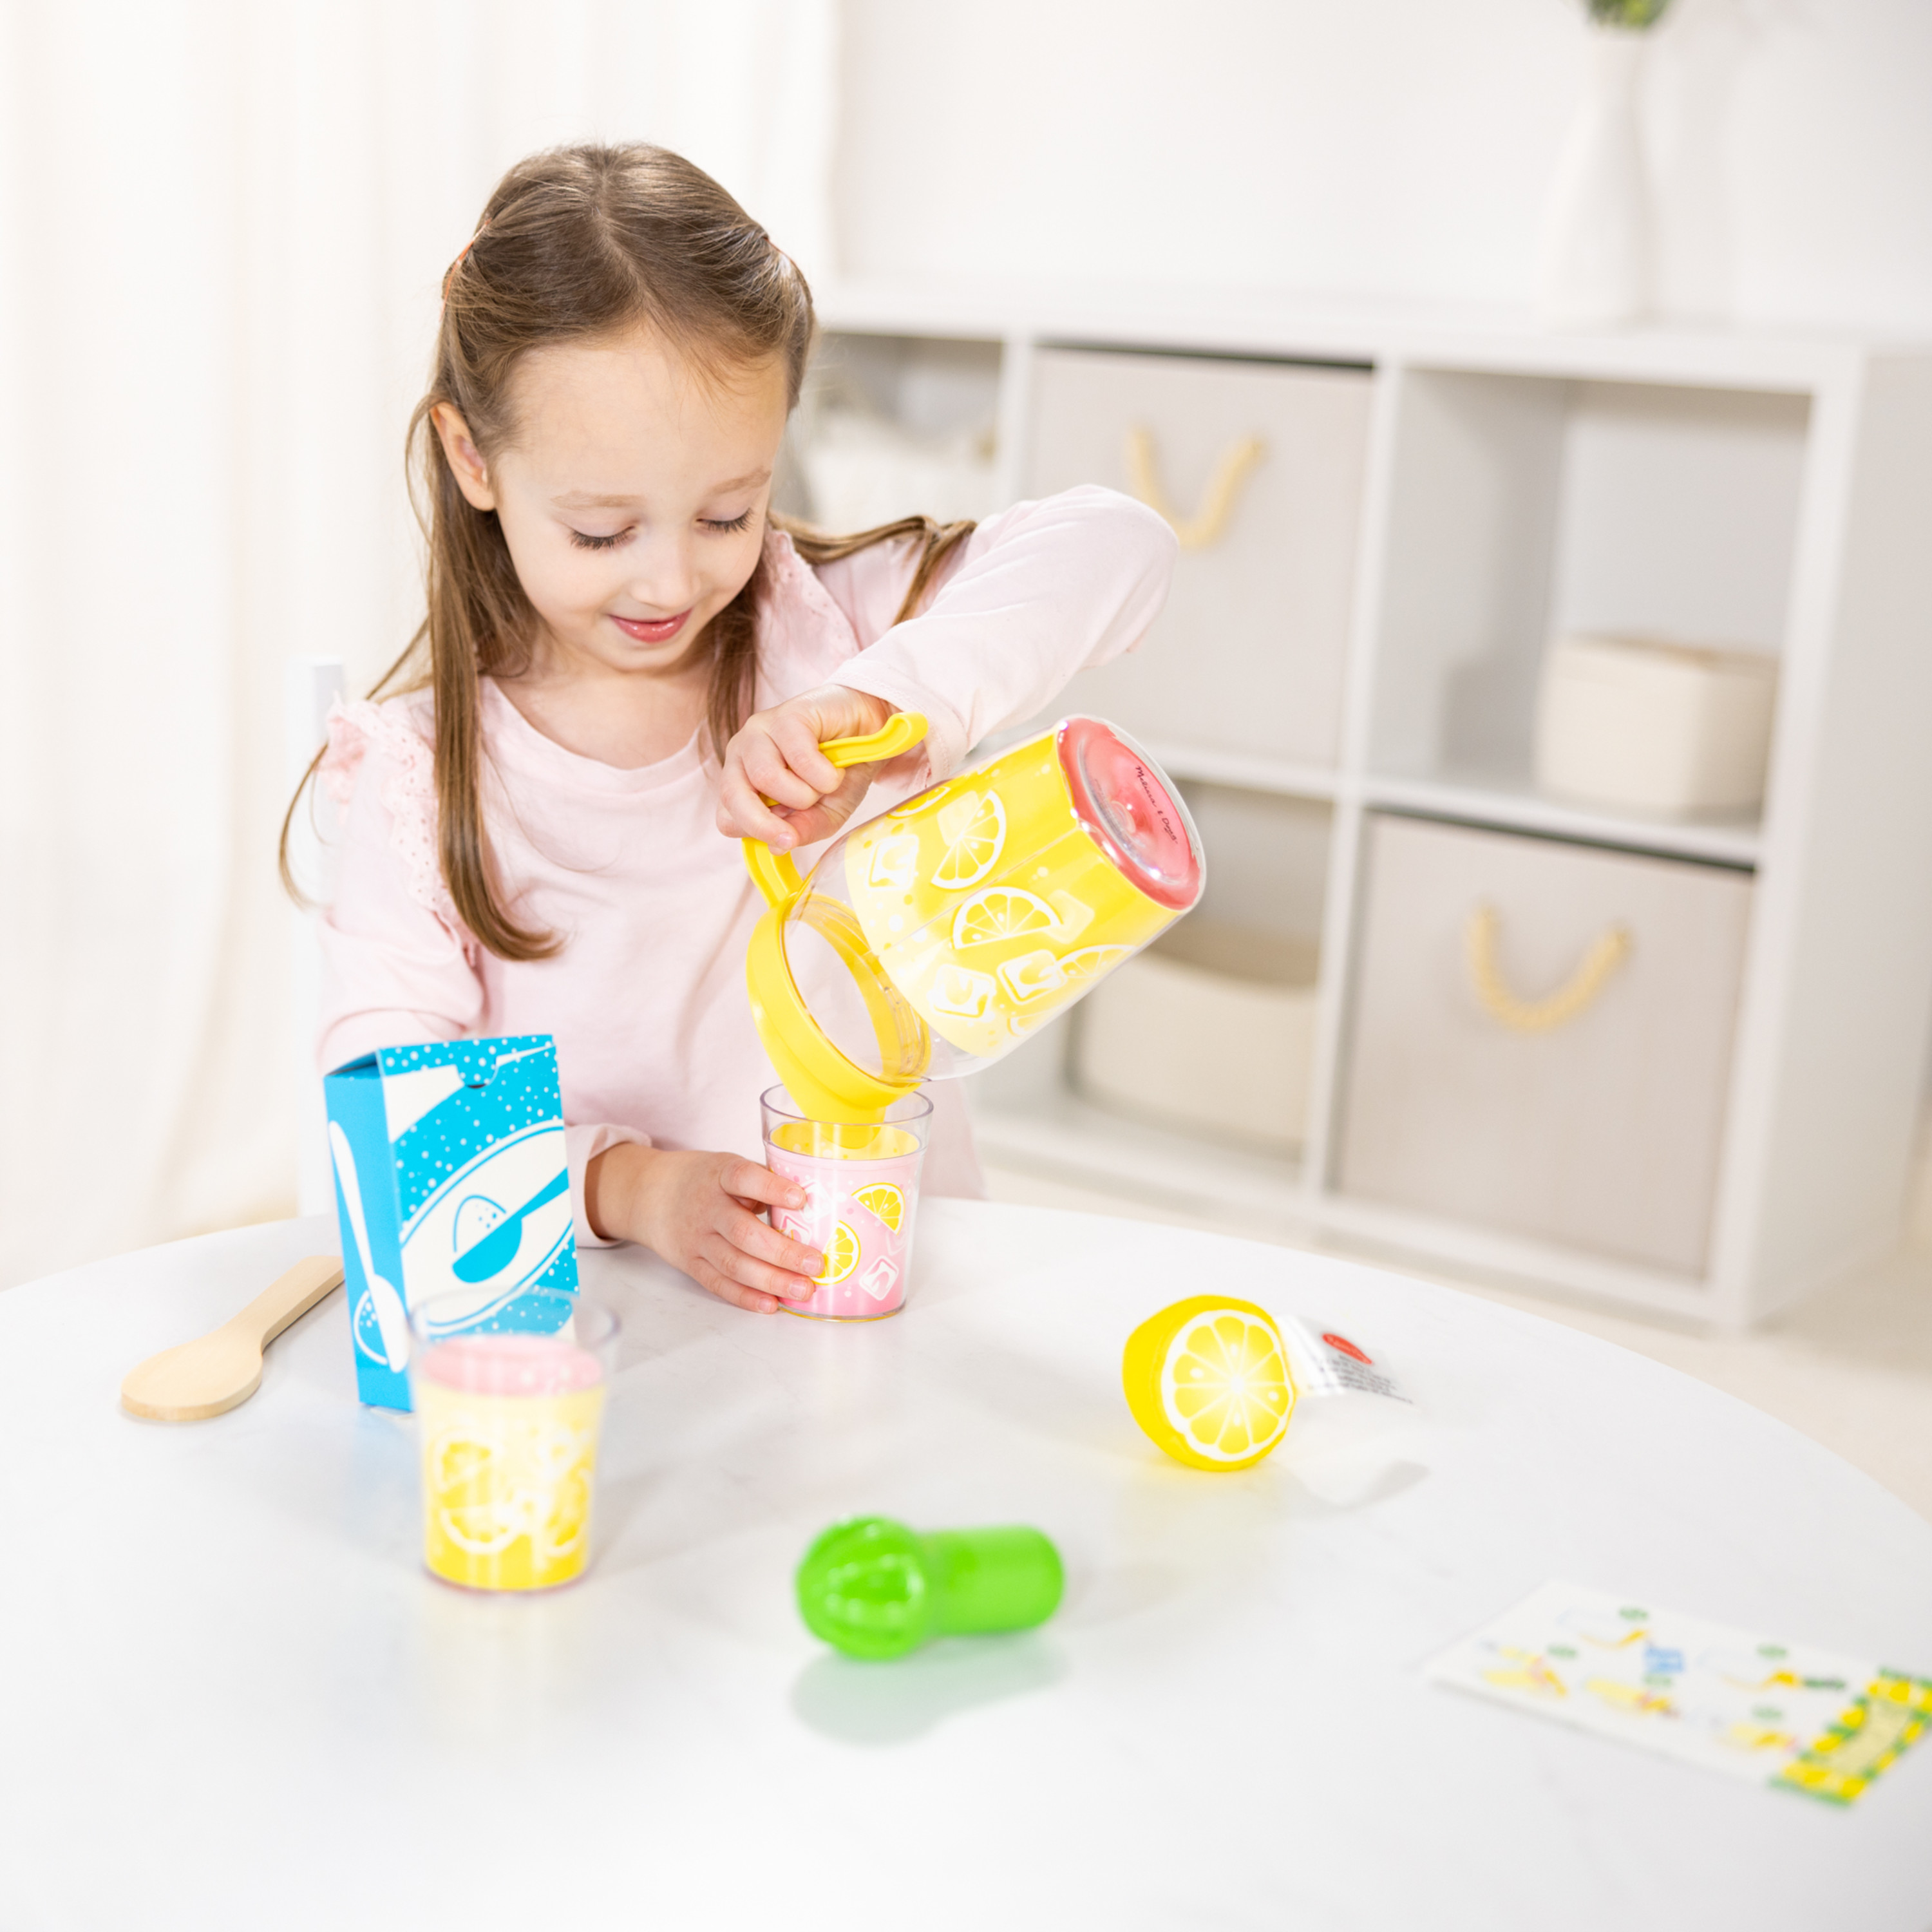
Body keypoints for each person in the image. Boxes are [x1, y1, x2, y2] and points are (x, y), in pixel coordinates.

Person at [292, 142, 1174, 1316]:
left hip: (894, 1307)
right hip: (621, 1345)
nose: (671, 582)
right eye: (602, 532)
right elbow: (391, 1118)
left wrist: (887, 700)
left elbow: (1121, 546)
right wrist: (627, 1189)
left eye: (726, 514)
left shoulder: (835, 634)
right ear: (473, 458)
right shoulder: (420, 777)